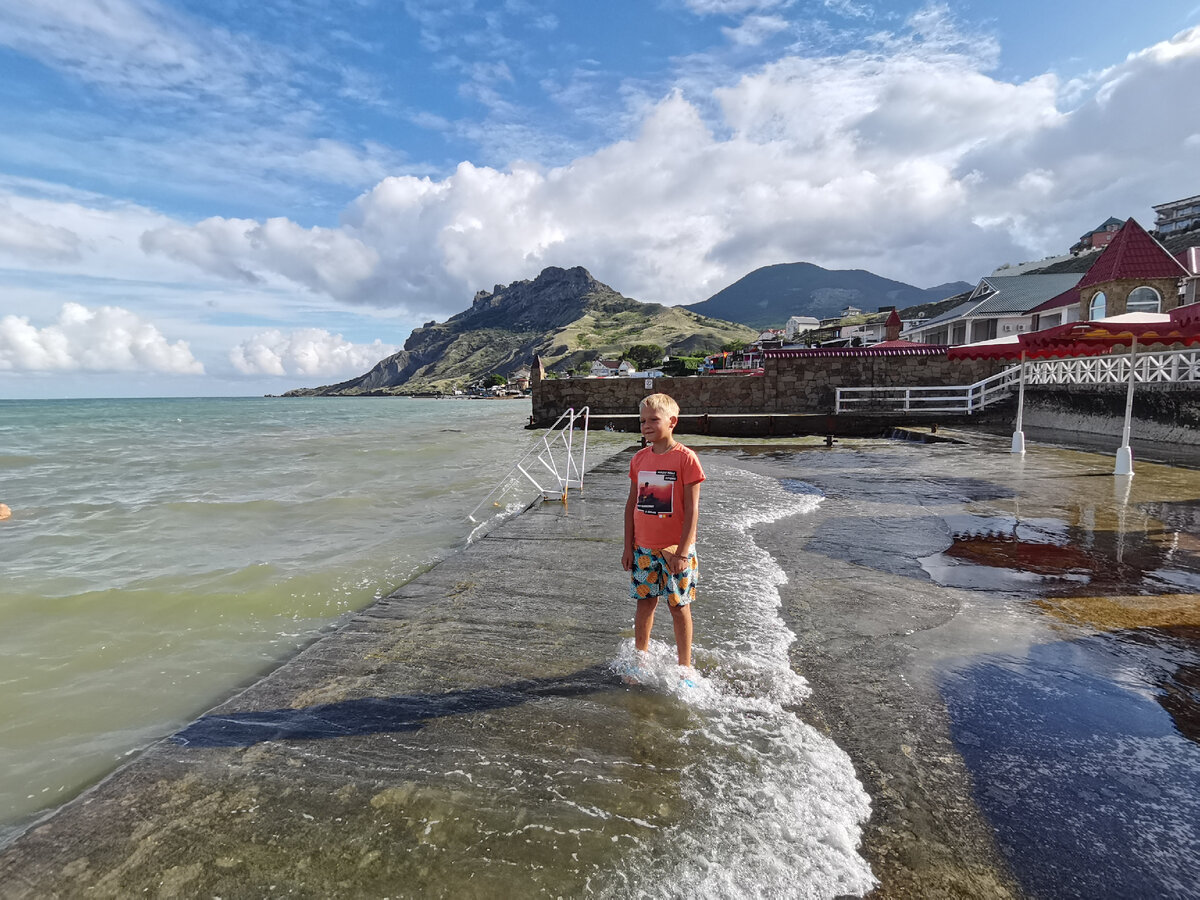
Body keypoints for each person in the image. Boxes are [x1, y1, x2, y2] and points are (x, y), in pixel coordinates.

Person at [621, 393, 705, 676]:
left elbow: (692, 511)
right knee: (645, 603)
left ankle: (684, 666)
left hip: (674, 549)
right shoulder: (638, 459)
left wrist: (682, 551)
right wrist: (627, 546)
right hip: (643, 548)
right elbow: (632, 504)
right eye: (642, 420)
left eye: (653, 420)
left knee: (678, 606)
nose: (646, 425)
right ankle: (640, 659)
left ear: (672, 422)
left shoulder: (686, 459)